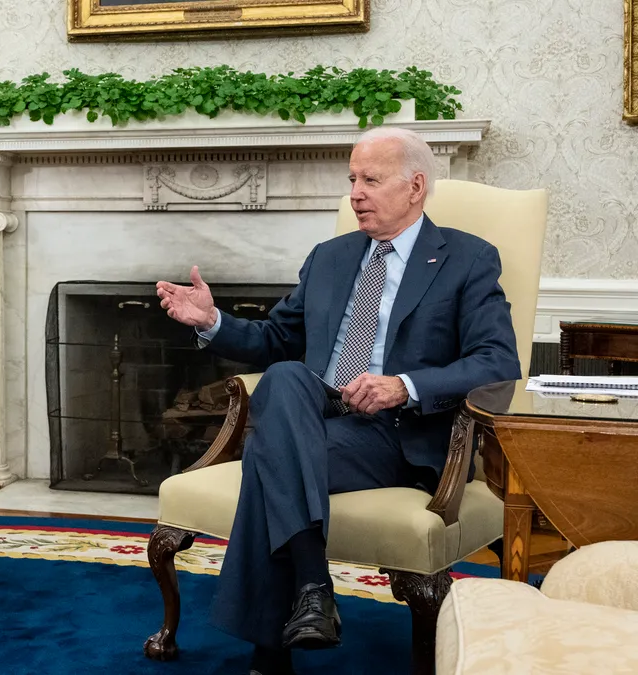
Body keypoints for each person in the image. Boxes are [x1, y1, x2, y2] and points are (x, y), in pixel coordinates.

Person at [156, 127, 521, 675]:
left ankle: (270, 652)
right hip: (318, 415)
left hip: (399, 431)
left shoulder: (468, 259)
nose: (355, 193)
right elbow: (277, 340)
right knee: (284, 376)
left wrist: (405, 384)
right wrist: (212, 321)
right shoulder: (330, 257)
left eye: (370, 180)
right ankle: (312, 586)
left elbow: (497, 362)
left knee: (266, 458)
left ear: (416, 186)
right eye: (352, 179)